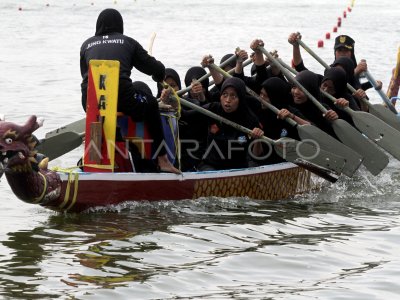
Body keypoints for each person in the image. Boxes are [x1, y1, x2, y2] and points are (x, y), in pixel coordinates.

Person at [79, 8, 180, 174]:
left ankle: (93, 160)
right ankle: (163, 160)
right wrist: (159, 75)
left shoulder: (86, 45)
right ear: (120, 25)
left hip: (91, 102)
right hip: (123, 100)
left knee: (97, 103)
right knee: (152, 104)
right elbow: (154, 67)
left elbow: (85, 77)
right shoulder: (127, 42)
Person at [177, 77, 264, 171]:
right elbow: (186, 116)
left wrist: (257, 140)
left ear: (241, 98)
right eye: (224, 95)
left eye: (233, 96)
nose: (227, 100)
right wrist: (174, 103)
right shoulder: (213, 109)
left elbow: (257, 154)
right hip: (210, 165)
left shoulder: (250, 119)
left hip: (238, 168)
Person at [288, 33, 382, 91]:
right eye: (339, 50)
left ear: (352, 53)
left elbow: (354, 88)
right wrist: (295, 46)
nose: (342, 54)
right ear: (335, 52)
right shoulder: (329, 70)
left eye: (346, 51)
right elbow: (300, 68)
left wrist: (372, 84)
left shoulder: (355, 70)